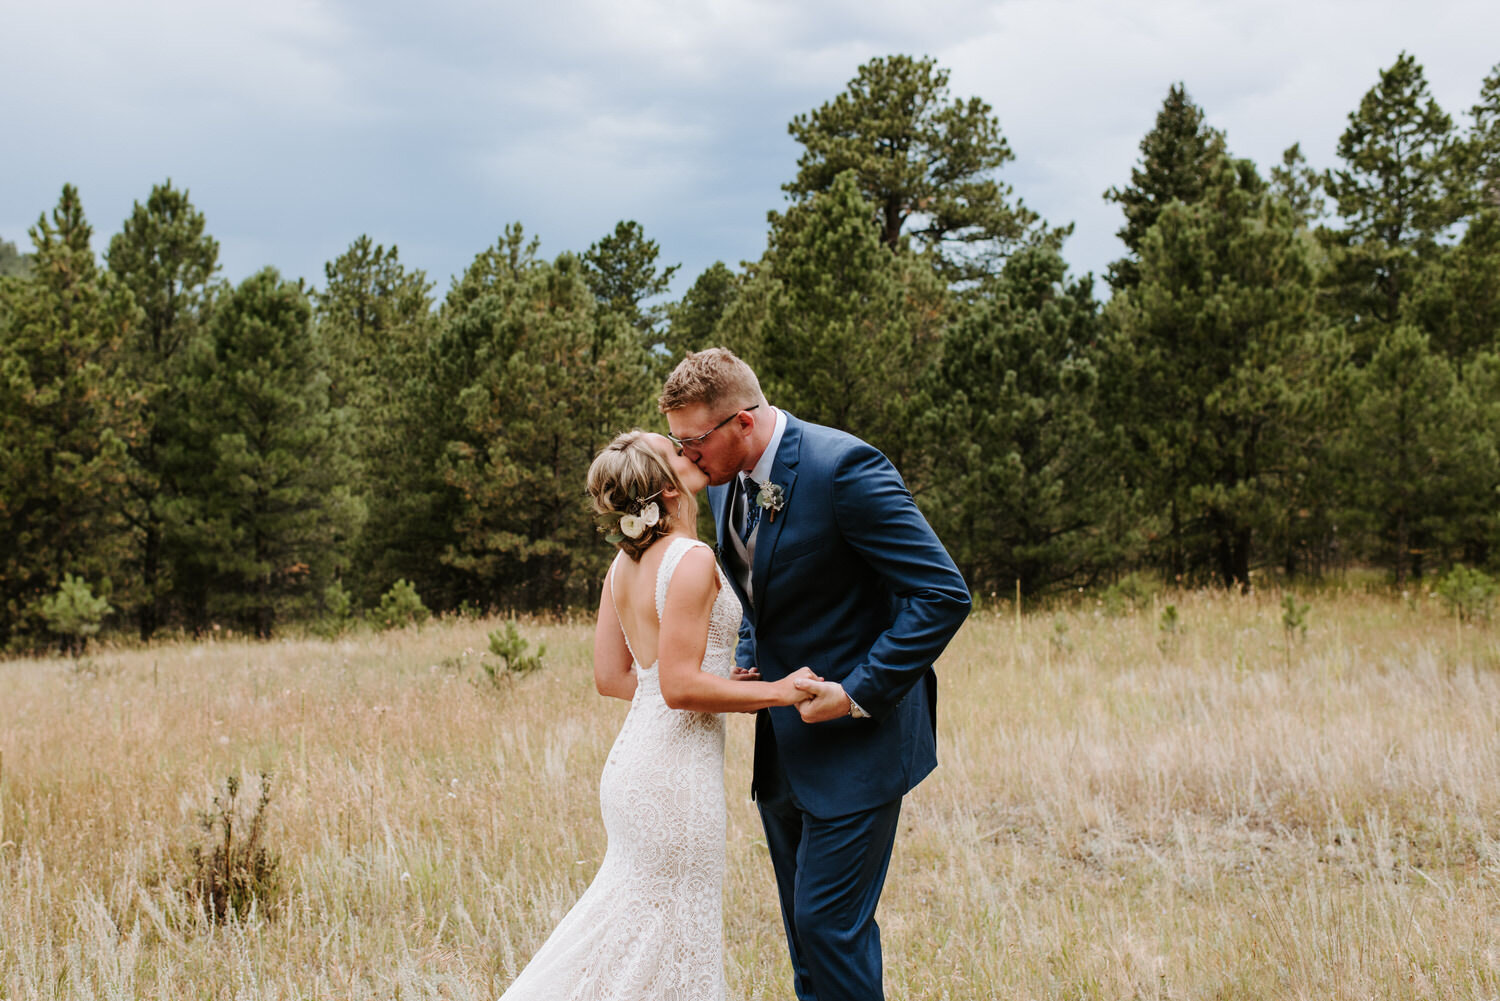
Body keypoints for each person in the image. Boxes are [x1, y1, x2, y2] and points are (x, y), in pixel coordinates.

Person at [660, 348, 971, 1001]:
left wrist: (858, 691)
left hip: (860, 742)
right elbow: (757, 586)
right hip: (784, 745)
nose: (684, 455)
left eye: (692, 440)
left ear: (741, 423)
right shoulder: (723, 479)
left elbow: (942, 593)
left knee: (830, 929)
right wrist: (748, 642)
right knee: (807, 941)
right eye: (674, 440)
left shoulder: (843, 470)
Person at [497, 429, 816, 1001]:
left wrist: (717, 685)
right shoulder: (691, 559)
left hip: (635, 766)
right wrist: (780, 691)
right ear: (668, 491)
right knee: (671, 935)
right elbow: (678, 687)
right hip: (675, 778)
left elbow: (617, 679)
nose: (688, 450)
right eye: (675, 452)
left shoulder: (621, 568)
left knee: (635, 931)